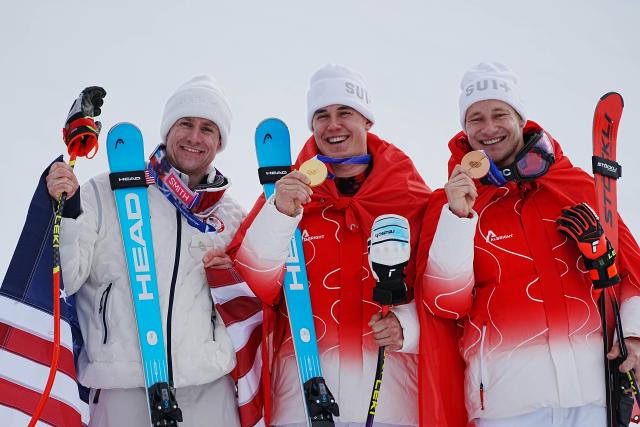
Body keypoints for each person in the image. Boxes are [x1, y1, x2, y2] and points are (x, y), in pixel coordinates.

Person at [418, 62, 640, 426]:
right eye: (475, 119)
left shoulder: (576, 186)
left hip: (595, 395)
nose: (488, 128)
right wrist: (457, 219)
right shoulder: (448, 203)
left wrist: (635, 336)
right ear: (464, 129)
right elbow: (445, 304)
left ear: (520, 118)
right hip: (506, 401)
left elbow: (630, 271)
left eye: (499, 114)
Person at [211, 64, 431, 426]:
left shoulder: (409, 197)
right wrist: (280, 214)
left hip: (391, 396)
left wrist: (407, 329)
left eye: (345, 112)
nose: (333, 125)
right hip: (301, 396)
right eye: (322, 116)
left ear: (367, 121)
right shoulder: (286, 194)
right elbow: (253, 286)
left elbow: (441, 294)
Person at [46, 75, 246, 427]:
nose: (195, 137)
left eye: (208, 129)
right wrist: (66, 205)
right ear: (167, 129)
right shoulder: (103, 192)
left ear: (220, 141)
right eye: (185, 123)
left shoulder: (230, 215)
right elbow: (68, 277)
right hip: (123, 384)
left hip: (208, 387)